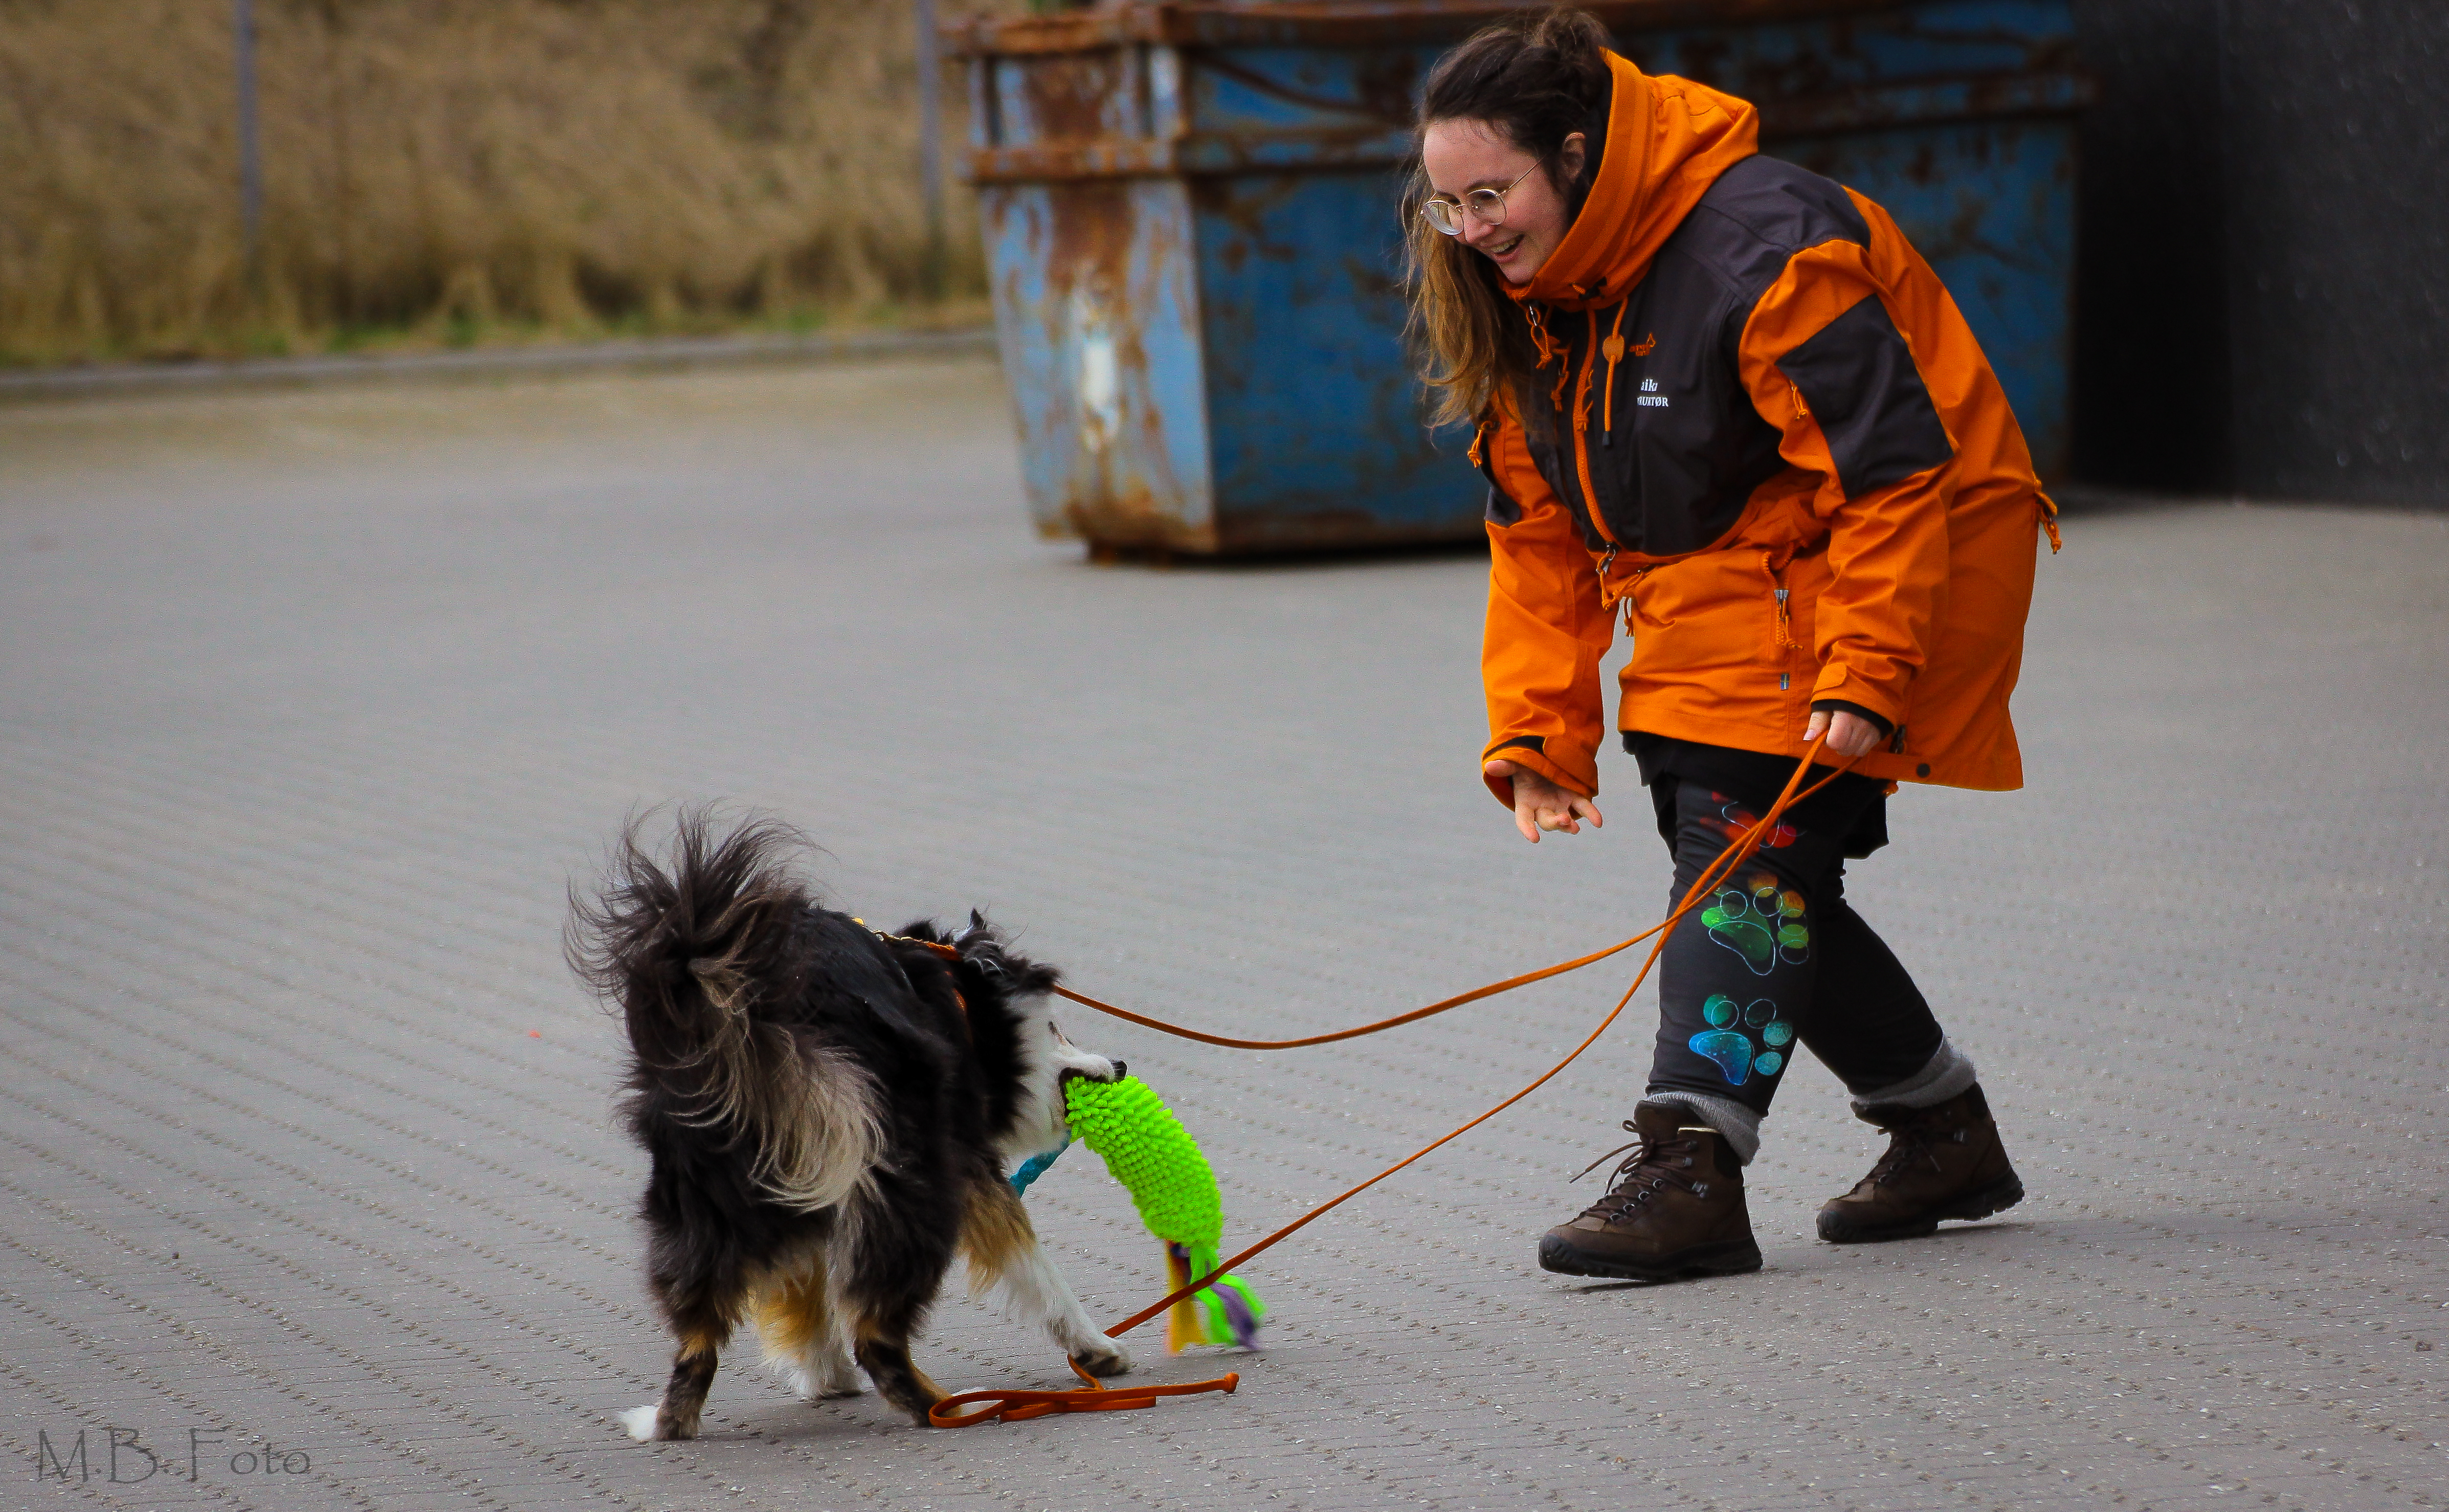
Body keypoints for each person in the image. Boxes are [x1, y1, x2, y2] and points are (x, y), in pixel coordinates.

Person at [1407, 8, 2056, 1281]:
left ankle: (1689, 1159)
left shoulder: (1765, 249)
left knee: (1745, 846)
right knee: (1758, 860)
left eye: (1494, 194)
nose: (1472, 229)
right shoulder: (1532, 289)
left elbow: (1891, 478)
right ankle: (1940, 1127)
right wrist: (1537, 727)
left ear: (1578, 157)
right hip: (1726, 576)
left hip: (1899, 544)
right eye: (1449, 204)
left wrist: (1867, 672)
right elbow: (1536, 530)